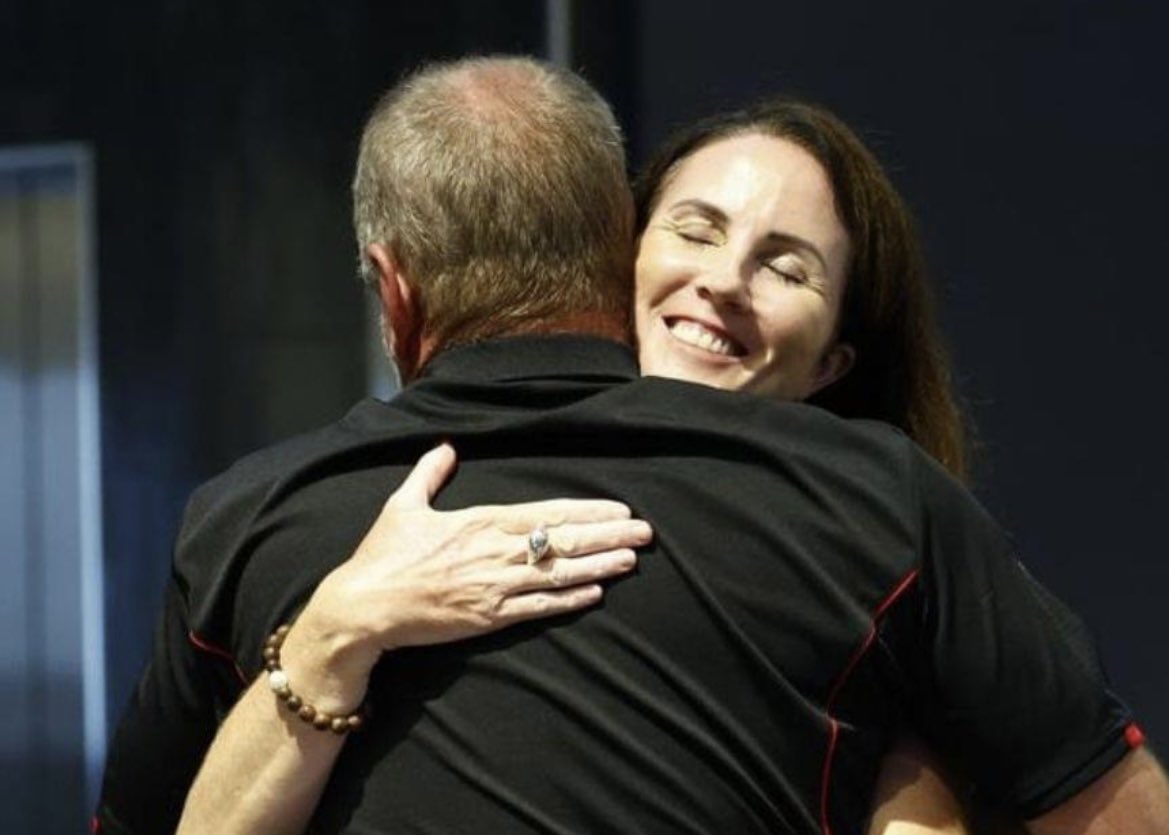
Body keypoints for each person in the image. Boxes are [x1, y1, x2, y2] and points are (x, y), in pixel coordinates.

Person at [96, 56, 1168, 834]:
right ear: (618, 241)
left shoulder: (881, 514)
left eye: (786, 267)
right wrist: (330, 634)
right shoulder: (266, 526)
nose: (718, 282)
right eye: (695, 228)